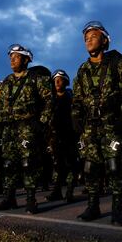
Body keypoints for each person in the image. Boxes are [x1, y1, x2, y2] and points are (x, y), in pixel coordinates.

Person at [72, 21, 122, 225]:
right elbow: (77, 99)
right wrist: (76, 118)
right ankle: (93, 206)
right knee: (90, 168)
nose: (88, 40)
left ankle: (117, 210)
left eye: (93, 36)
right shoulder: (82, 70)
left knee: (115, 167)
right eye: (86, 38)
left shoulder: (121, 65)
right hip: (90, 126)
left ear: (105, 40)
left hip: (111, 123)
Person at [0, 44, 53, 214]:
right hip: (9, 130)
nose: (12, 59)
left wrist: (41, 123)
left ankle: (30, 199)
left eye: (16, 56)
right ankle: (9, 198)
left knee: (29, 164)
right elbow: (3, 105)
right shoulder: (7, 81)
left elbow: (49, 102)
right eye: (11, 56)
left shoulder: (36, 79)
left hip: (28, 128)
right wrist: (0, 125)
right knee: (8, 164)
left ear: (26, 60)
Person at [46, 69, 78, 203]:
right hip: (54, 137)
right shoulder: (50, 100)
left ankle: (69, 192)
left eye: (60, 80)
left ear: (66, 82)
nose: (57, 82)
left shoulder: (71, 99)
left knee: (70, 164)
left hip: (70, 136)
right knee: (57, 165)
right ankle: (57, 191)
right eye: (55, 80)